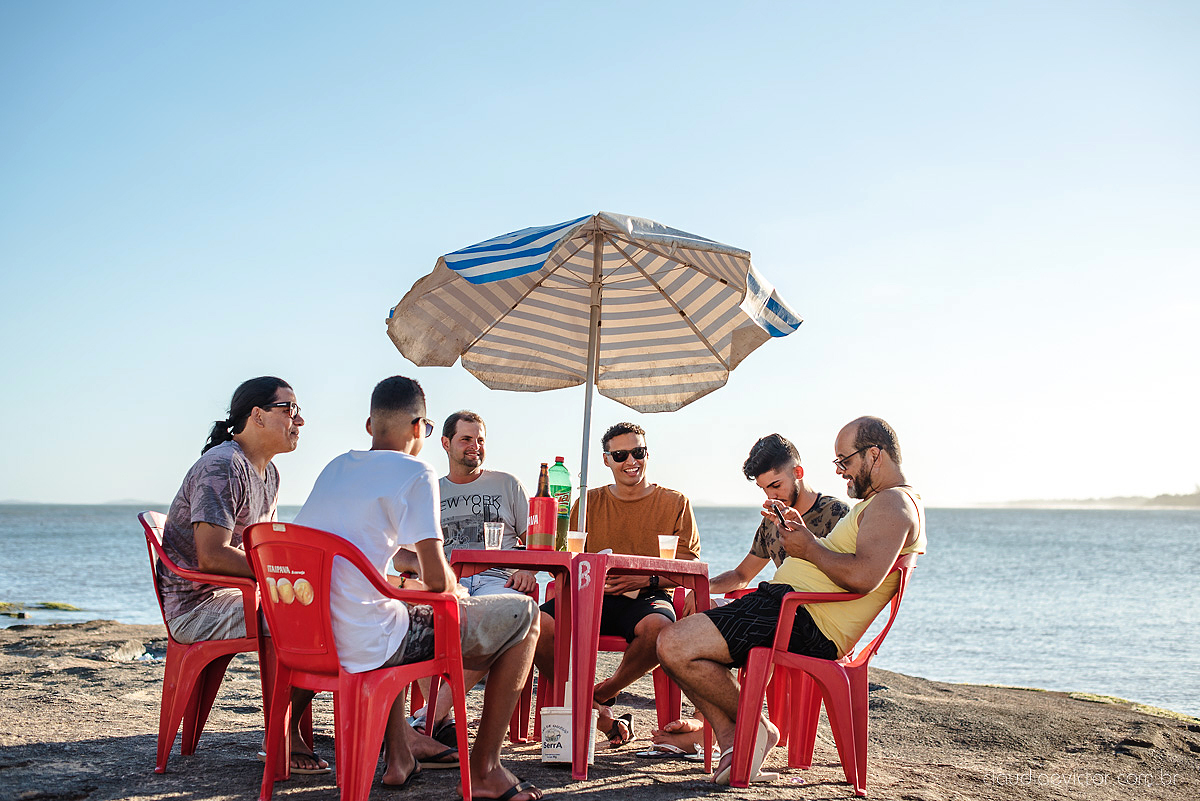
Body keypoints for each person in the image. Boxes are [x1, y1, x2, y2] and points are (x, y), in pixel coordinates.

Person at [293, 376, 543, 800]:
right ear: (419, 428)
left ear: (370, 426)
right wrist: (455, 589)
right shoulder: (416, 471)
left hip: (306, 636)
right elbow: (436, 577)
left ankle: (401, 753)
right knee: (526, 617)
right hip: (368, 642)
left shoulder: (335, 467)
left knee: (386, 609)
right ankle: (485, 769)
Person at [657, 416, 926, 785]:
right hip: (791, 607)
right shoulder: (881, 504)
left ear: (875, 455)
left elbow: (864, 578)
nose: (842, 472)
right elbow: (747, 572)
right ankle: (736, 740)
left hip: (801, 616)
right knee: (676, 641)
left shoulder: (893, 504)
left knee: (673, 643)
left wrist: (808, 546)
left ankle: (757, 730)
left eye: (845, 461)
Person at [158, 377, 325, 774]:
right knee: (311, 616)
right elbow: (212, 556)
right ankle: (281, 732)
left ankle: (287, 724)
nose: (299, 421)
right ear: (257, 416)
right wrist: (286, 573)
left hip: (232, 595)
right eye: (290, 410)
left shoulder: (269, 474)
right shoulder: (223, 465)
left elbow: (260, 550)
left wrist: (295, 570)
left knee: (330, 608)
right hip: (197, 606)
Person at [649, 433, 849, 758]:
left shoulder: (836, 515)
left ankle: (730, 730)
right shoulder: (774, 521)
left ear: (798, 473)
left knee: (691, 640)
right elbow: (742, 575)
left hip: (810, 620)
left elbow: (847, 574)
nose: (771, 495)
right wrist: (699, 586)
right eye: (764, 489)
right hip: (775, 611)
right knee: (690, 621)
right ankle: (723, 733)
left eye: (776, 485)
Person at [533, 422, 700, 747]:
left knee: (659, 630)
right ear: (607, 460)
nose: (630, 461)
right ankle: (598, 712)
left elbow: (689, 567)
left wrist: (645, 577)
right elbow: (568, 559)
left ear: (647, 454)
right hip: (592, 592)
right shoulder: (587, 503)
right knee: (537, 624)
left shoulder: (675, 502)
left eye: (637, 452)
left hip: (649, 594)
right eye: (621, 454)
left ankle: (604, 692)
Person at [397, 410, 537, 744]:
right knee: (409, 614)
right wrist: (426, 568)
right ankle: (437, 717)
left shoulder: (506, 484)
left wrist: (528, 568)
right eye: (466, 439)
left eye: (480, 440)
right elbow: (398, 552)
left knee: (513, 615)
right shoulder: (427, 490)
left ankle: (430, 715)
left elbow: (537, 538)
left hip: (497, 579)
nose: (475, 446)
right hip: (444, 583)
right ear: (445, 444)